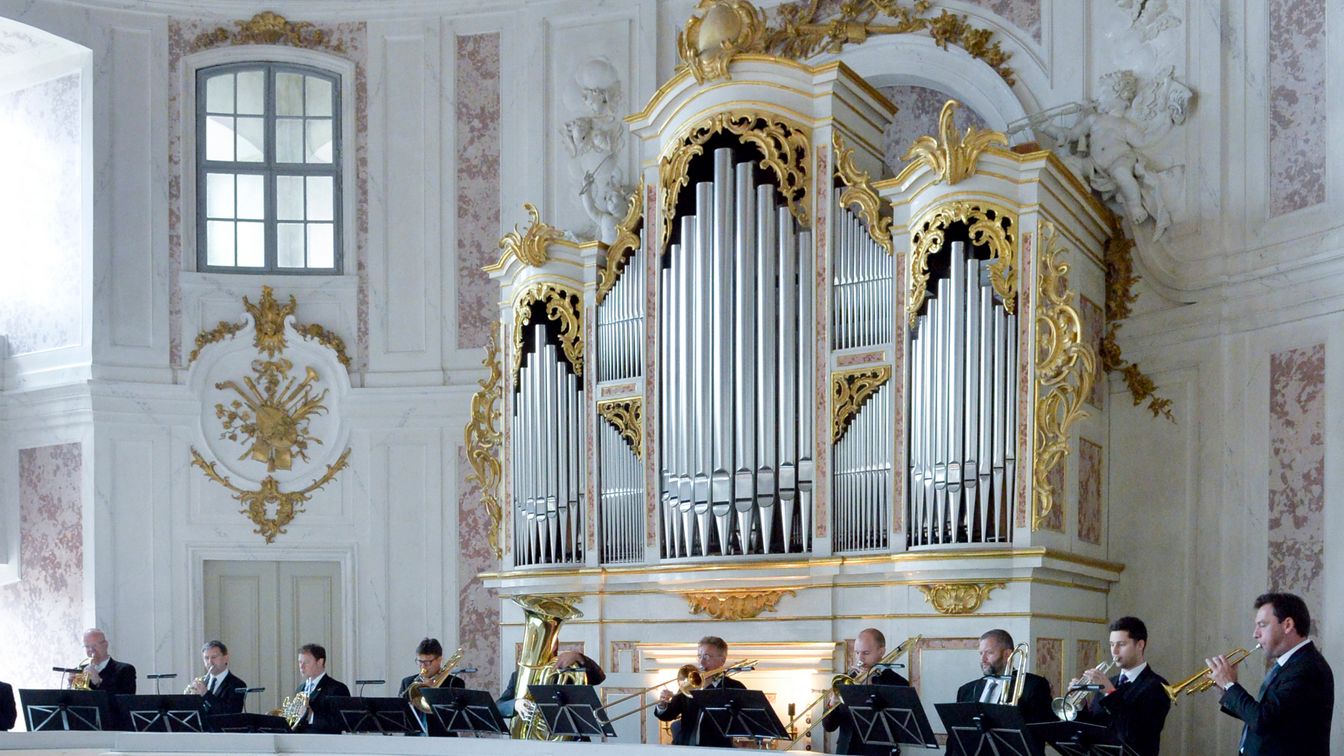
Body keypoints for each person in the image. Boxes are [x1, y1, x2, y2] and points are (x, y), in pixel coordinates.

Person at [1208, 592, 1334, 755]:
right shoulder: (1293, 663)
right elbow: (1271, 716)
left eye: (1262, 624)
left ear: (1287, 625)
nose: (1255, 634)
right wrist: (1224, 691)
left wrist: (1230, 685)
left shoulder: (1307, 668)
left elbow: (1263, 720)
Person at [1075, 617, 1170, 755]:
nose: (1114, 651)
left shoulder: (1156, 685)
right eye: (1112, 644)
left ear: (1140, 645)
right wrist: (1079, 704)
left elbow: (1133, 732)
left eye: (1121, 644)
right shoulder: (1110, 682)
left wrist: (1110, 692)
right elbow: (1094, 726)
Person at [822, 628, 910, 755]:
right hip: (845, 751)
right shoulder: (846, 679)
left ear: (881, 652)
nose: (860, 659)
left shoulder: (898, 683)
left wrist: (868, 685)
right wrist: (832, 703)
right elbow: (829, 727)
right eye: (857, 652)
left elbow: (900, 729)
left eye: (866, 653)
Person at [654, 636, 747, 747]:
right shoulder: (689, 684)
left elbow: (743, 722)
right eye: (699, 656)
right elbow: (668, 715)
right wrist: (662, 705)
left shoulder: (734, 687)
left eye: (707, 657)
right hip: (683, 747)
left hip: (716, 750)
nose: (701, 661)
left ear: (722, 660)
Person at [955, 629, 1053, 724]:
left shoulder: (1033, 686)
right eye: (981, 653)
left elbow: (1041, 730)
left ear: (1007, 654)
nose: (983, 659)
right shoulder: (966, 691)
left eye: (989, 653)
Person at [497, 649, 605, 718]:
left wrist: (579, 657)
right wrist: (515, 704)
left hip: (569, 740)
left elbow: (599, 677)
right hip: (530, 744)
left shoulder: (567, 670)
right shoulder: (518, 676)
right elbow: (498, 707)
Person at [399, 637, 464, 736]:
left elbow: (456, 717)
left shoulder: (455, 683)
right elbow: (401, 714)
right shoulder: (407, 682)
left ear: (439, 660)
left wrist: (432, 692)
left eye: (427, 662)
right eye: (420, 661)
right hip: (413, 741)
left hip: (443, 740)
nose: (423, 666)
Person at [291, 643, 350, 734]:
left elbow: (342, 723)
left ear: (320, 662)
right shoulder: (300, 689)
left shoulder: (337, 688)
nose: (301, 666)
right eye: (300, 662)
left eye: (306, 662)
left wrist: (311, 716)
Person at [189, 640, 248, 717]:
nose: (210, 662)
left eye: (214, 657)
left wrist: (206, 694)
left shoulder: (238, 684)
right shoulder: (202, 682)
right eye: (206, 658)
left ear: (225, 658)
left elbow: (231, 713)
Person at [77, 628, 136, 695]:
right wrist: (70, 686)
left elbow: (125, 701)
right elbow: (75, 700)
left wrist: (98, 681)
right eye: (87, 646)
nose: (91, 649)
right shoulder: (81, 669)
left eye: (95, 645)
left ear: (105, 645)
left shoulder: (125, 670)